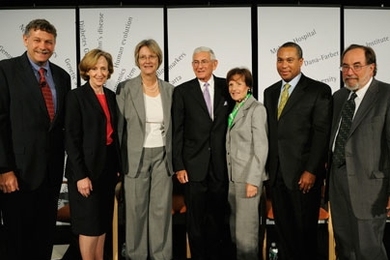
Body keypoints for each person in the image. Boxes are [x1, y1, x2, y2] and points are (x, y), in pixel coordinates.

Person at [0, 19, 71, 259]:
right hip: (17, 174)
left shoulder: (62, 76)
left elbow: (59, 126)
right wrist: (4, 169)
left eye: (49, 42)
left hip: (50, 174)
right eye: (38, 40)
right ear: (25, 40)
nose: (43, 46)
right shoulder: (5, 70)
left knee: (44, 239)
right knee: (17, 241)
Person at [263, 41, 331, 260]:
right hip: (277, 175)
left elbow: (321, 134)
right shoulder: (270, 92)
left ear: (301, 62)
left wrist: (311, 170)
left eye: (290, 60)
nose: (284, 65)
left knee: (304, 235)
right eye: (280, 60)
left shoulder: (318, 90)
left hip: (304, 176)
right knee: (284, 234)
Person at [328, 44, 390, 260]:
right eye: (345, 66)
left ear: (372, 67)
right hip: (338, 184)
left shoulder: (386, 95)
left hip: (370, 189)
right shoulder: (338, 97)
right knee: (345, 249)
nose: (349, 72)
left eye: (356, 66)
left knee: (369, 251)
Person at [172, 46, 234, 260]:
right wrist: (178, 165)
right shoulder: (181, 91)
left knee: (218, 220)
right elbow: (176, 131)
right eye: (195, 62)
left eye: (204, 61)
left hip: (221, 167)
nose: (199, 66)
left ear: (214, 64)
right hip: (192, 168)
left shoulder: (229, 87)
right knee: (195, 223)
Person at [116, 39, 174, 260]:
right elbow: (120, 129)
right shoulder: (125, 88)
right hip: (135, 157)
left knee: (160, 212)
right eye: (143, 57)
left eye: (152, 56)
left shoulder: (170, 90)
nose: (147, 61)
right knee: (135, 212)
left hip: (162, 156)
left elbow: (174, 129)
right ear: (137, 60)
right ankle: (136, 255)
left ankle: (161, 256)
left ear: (158, 59)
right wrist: (120, 163)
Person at [65, 49, 121, 260]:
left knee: (102, 223)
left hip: (107, 169)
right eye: (95, 68)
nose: (100, 73)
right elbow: (71, 139)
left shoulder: (111, 97)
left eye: (104, 68)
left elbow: (114, 136)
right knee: (89, 225)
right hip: (85, 171)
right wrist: (80, 175)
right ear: (87, 71)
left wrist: (117, 169)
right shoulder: (76, 97)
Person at [225, 67, 268, 260]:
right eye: (231, 84)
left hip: (248, 181)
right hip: (233, 179)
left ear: (248, 86)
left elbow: (261, 147)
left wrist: (253, 180)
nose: (234, 88)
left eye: (239, 84)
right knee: (236, 233)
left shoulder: (256, 109)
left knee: (247, 237)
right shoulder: (234, 108)